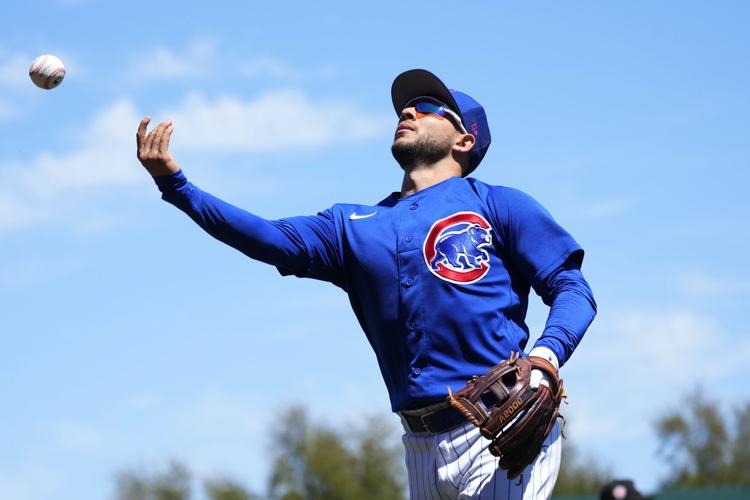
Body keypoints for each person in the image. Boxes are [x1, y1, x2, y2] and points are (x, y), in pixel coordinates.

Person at [136, 69, 597, 500]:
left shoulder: (498, 205)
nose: (409, 112)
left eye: (430, 107)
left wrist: (543, 360)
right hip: (419, 444)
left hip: (500, 424)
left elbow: (572, 290)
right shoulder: (354, 225)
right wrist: (178, 187)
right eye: (405, 107)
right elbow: (270, 238)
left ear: (464, 139)